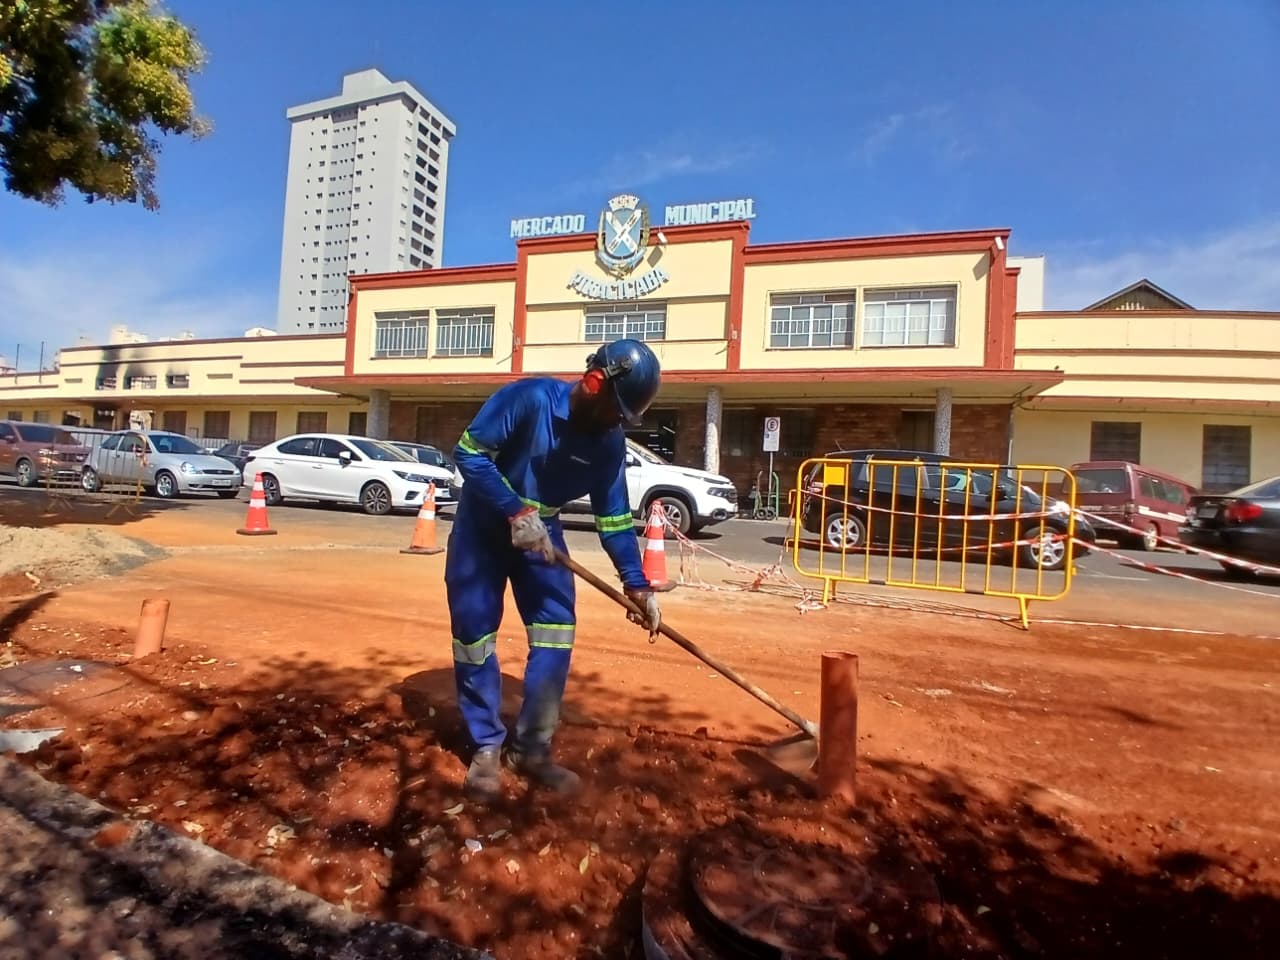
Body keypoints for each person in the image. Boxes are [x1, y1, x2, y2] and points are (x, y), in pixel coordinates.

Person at [446, 338, 664, 802]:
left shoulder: (609, 444)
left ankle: (532, 749)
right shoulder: (527, 399)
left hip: (541, 535)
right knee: (473, 636)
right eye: (616, 411)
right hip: (482, 529)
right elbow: (468, 453)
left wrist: (637, 584)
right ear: (594, 382)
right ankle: (487, 745)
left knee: (556, 631)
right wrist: (513, 510)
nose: (616, 423)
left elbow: (615, 521)